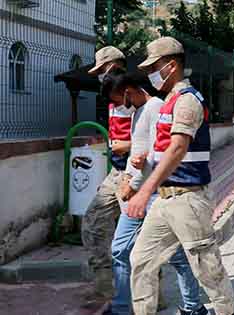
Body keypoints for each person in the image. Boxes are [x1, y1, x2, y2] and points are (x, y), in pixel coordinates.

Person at [127, 37, 234, 315]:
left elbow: (178, 148)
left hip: (188, 200)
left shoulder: (188, 101)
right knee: (141, 260)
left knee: (207, 268)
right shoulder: (168, 102)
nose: (150, 73)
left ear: (171, 65)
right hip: (165, 199)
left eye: (155, 66)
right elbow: (163, 151)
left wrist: (143, 191)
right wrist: (145, 166)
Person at [104, 73, 207, 315]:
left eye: (118, 99)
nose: (118, 106)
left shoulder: (156, 107)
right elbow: (138, 153)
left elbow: (158, 153)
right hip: (136, 193)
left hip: (154, 194)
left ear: (128, 91)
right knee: (120, 249)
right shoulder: (138, 112)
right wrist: (128, 179)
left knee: (176, 255)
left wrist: (135, 180)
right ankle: (121, 308)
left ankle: (193, 307)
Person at [82, 46, 130, 309]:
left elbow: (154, 136)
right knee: (93, 223)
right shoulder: (111, 96)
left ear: (113, 66)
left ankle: (151, 294)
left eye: (101, 70)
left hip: (135, 173)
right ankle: (105, 288)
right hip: (116, 171)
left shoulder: (134, 93)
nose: (99, 76)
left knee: (137, 237)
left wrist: (127, 145)